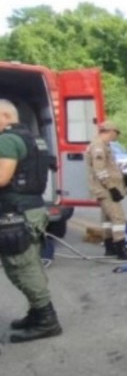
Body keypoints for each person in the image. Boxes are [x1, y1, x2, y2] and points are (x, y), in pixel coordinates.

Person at [0, 98, 62, 343]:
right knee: (29, 264)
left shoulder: (7, 140)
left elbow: (2, 178)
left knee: (21, 267)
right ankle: (37, 313)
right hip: (32, 210)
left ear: (5, 115)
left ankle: (47, 320)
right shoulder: (33, 137)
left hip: (17, 212)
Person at [86, 120, 127, 260]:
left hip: (103, 188)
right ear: (111, 131)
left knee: (107, 219)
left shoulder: (102, 145)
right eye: (116, 133)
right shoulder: (98, 146)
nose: (117, 136)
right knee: (118, 218)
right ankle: (120, 248)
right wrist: (112, 187)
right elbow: (100, 169)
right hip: (106, 189)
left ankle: (110, 246)